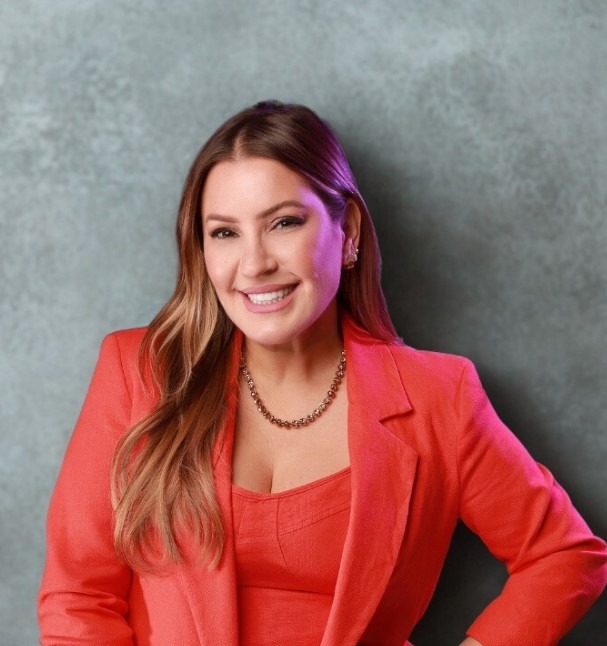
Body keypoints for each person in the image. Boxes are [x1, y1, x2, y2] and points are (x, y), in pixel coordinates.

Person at [38, 100, 607, 646]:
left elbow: (565, 557)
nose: (254, 264)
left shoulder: (438, 398)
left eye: (284, 223)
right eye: (225, 232)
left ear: (348, 230)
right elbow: (78, 598)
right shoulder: (139, 372)